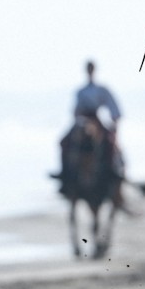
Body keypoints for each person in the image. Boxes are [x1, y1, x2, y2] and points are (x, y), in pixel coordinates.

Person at [53, 60, 124, 193]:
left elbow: (113, 108)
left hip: (96, 120)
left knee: (109, 143)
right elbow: (75, 111)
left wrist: (114, 125)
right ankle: (65, 174)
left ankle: (112, 171)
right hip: (81, 121)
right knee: (64, 142)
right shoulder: (80, 91)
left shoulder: (101, 90)